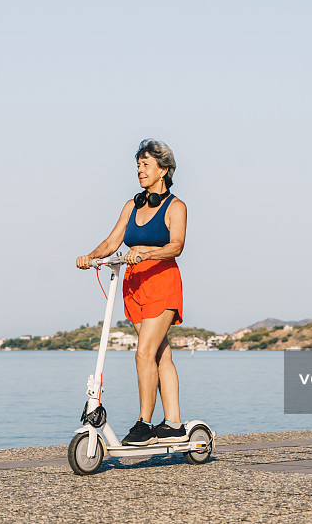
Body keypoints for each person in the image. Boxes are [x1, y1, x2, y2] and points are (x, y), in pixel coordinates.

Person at [76, 139, 187, 446]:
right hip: (133, 282)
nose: (140, 170)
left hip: (161, 280)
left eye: (146, 165)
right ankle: (174, 423)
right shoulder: (132, 205)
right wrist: (91, 256)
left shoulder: (175, 206)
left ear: (163, 170)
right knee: (160, 352)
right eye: (138, 165)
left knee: (144, 353)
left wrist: (145, 253)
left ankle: (144, 424)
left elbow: (176, 245)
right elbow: (112, 242)